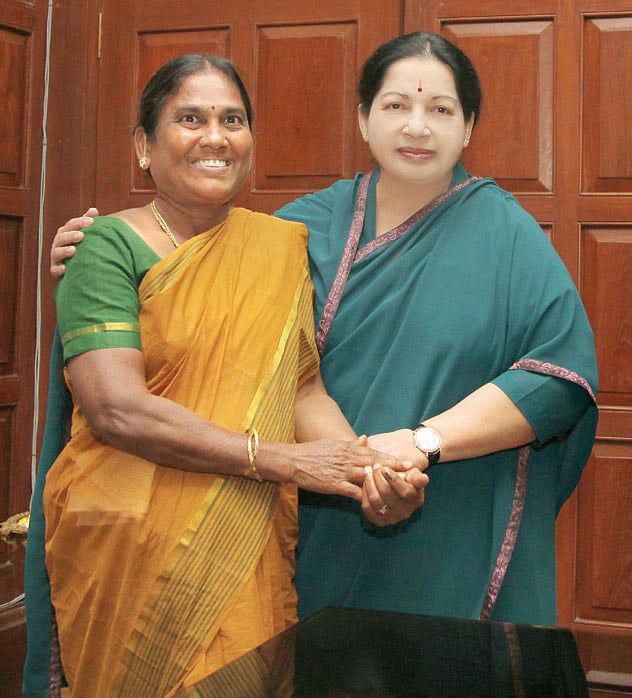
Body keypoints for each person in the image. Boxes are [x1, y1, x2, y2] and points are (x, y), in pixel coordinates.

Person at [48, 32, 598, 631]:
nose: (417, 127)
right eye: (396, 105)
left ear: (468, 128)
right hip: (300, 512)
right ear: (363, 119)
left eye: (440, 109)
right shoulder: (293, 229)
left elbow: (559, 377)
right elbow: (194, 308)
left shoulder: (508, 236)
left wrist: (420, 444)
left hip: (447, 518)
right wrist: (96, 257)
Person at [24, 53, 427, 698]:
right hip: (129, 549)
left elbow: (301, 389)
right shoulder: (104, 248)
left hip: (242, 543)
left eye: (232, 120)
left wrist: (364, 473)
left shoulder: (277, 248)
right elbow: (116, 409)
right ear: (143, 146)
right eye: (190, 119)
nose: (215, 137)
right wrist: (288, 462)